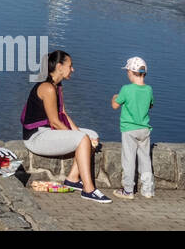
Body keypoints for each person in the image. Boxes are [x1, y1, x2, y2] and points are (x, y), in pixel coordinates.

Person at [20, 50, 111, 203]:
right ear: (60, 67)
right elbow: (55, 121)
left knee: (91, 135)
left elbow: (62, 113)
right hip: (36, 137)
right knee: (82, 138)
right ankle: (88, 190)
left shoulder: (56, 86)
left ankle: (73, 179)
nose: (73, 69)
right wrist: (78, 137)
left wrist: (77, 133)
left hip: (47, 132)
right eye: (71, 66)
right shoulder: (47, 88)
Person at [111, 56, 154, 198]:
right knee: (145, 159)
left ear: (130, 72)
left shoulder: (126, 89)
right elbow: (150, 105)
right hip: (144, 129)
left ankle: (128, 190)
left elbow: (115, 105)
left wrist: (114, 97)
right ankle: (148, 190)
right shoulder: (148, 89)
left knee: (128, 159)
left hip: (129, 130)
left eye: (127, 71)